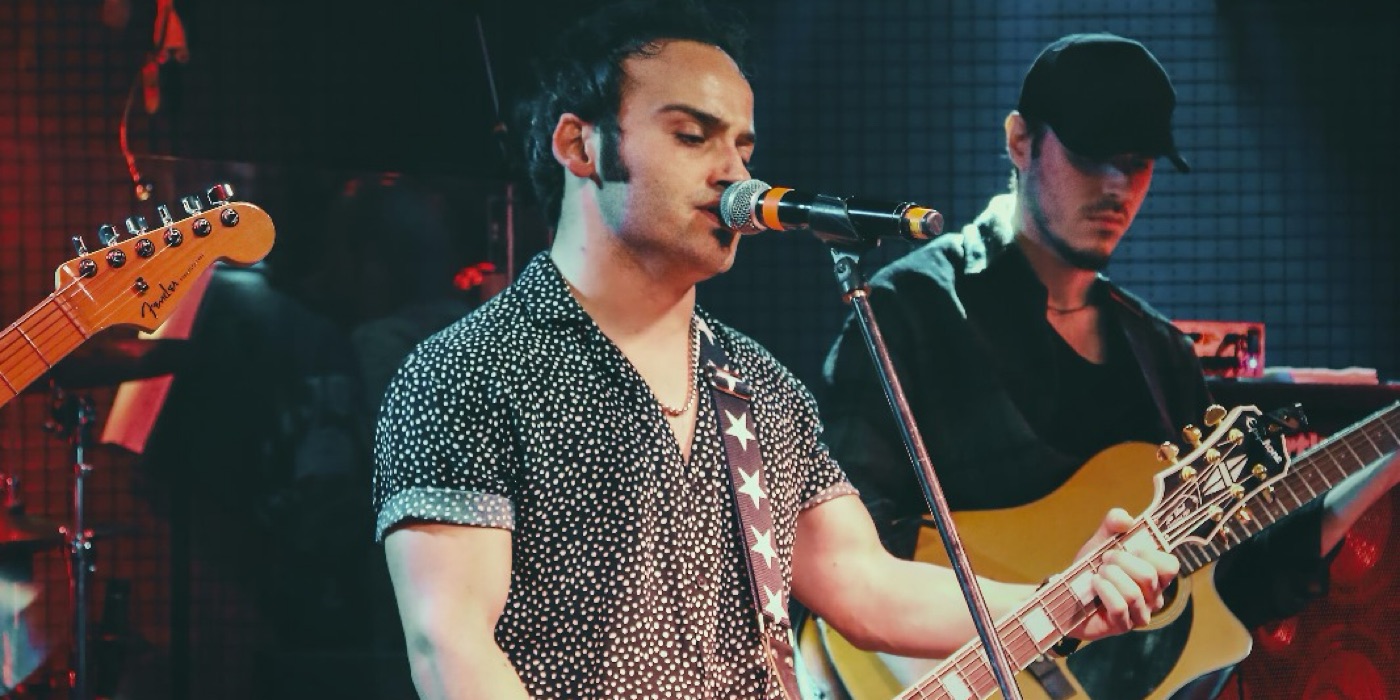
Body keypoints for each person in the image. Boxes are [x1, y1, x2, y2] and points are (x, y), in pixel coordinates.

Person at [372, 6, 1178, 699]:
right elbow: (450, 646)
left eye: (744, 148)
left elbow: (869, 587)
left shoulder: (757, 386)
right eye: (692, 136)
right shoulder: (470, 371)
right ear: (581, 147)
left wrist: (1066, 597)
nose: (735, 176)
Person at [821, 32, 1400, 698]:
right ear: (1019, 141)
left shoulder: (1161, 355)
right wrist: (1045, 614)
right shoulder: (907, 310)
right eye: (1091, 156)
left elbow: (1232, 579)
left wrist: (1384, 463)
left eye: (1137, 162)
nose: (1117, 186)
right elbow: (844, 560)